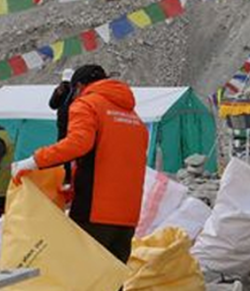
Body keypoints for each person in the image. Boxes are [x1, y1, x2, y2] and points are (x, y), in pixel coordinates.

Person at [11, 65, 148, 264]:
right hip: (127, 214)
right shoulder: (134, 117)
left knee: (84, 275)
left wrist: (34, 161)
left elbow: (78, 144)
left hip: (94, 211)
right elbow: (113, 163)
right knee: (112, 278)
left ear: (79, 86)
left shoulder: (87, 104)